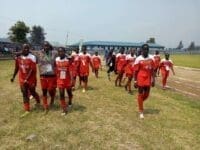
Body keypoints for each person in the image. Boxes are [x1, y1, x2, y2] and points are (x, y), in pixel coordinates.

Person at [10, 44, 40, 117]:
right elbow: (17, 68)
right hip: (22, 79)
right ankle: (27, 109)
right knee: (24, 93)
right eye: (24, 48)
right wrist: (13, 77)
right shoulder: (18, 57)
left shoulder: (32, 57)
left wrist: (27, 78)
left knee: (32, 92)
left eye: (27, 48)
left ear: (29, 49)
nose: (26, 49)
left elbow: (32, 69)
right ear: (22, 49)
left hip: (31, 79)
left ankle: (38, 100)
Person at [134, 44, 155, 119]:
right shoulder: (138, 59)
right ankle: (141, 111)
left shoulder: (151, 58)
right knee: (140, 94)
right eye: (144, 49)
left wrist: (153, 79)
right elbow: (135, 71)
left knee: (146, 95)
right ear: (142, 50)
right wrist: (135, 81)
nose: (146, 51)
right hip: (140, 78)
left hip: (148, 78)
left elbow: (152, 70)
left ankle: (140, 102)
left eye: (147, 49)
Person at [36, 41, 57, 112]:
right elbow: (28, 52)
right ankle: (45, 106)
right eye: (45, 46)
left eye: (47, 46)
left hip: (52, 75)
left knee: (51, 90)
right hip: (43, 75)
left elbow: (63, 54)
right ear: (43, 47)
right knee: (44, 91)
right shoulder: (39, 53)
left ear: (49, 46)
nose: (46, 47)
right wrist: (17, 54)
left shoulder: (54, 53)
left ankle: (52, 98)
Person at [55, 47, 73, 115]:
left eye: (62, 51)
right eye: (59, 52)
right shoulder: (56, 60)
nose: (61, 53)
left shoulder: (68, 60)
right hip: (60, 80)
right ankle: (64, 109)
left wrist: (72, 81)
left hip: (67, 80)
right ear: (58, 53)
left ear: (64, 52)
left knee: (69, 93)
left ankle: (70, 101)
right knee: (61, 94)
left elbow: (71, 71)